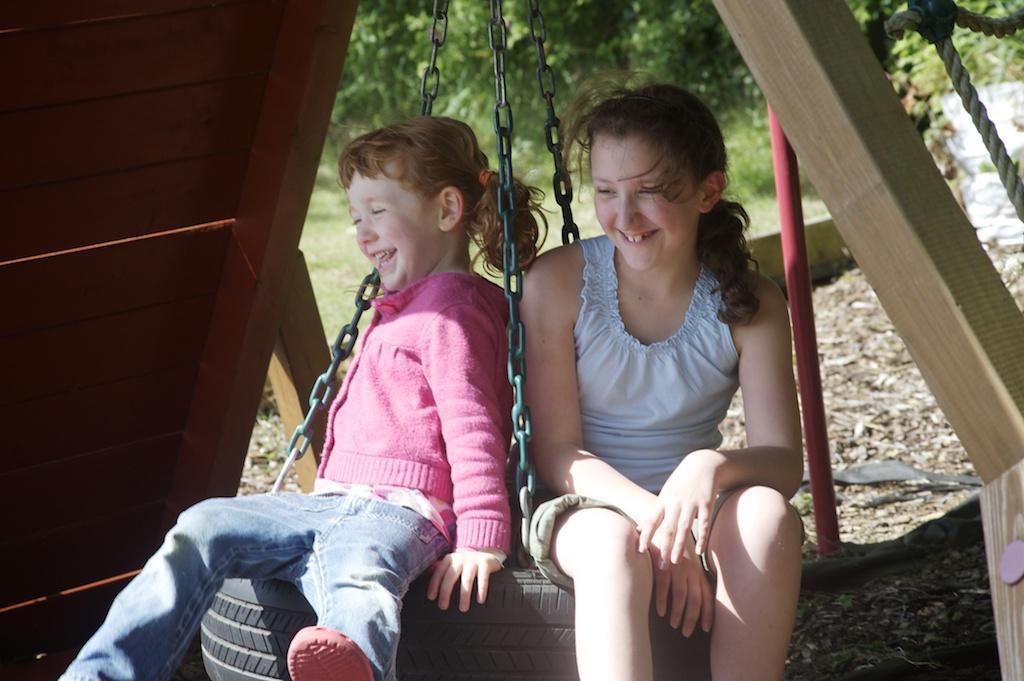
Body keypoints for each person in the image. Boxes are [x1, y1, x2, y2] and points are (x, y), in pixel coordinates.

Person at [60, 116, 546, 681]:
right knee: (203, 525)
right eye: (355, 217)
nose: (363, 234)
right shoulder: (407, 303)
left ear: (446, 210)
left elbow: (475, 428)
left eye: (379, 213)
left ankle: (345, 660)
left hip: (399, 513)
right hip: (326, 503)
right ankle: (99, 674)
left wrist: (483, 537)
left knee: (360, 581)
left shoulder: (453, 313)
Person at [521, 81, 804, 681]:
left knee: (766, 517)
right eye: (604, 192)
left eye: (649, 191)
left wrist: (711, 466)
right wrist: (660, 527)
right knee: (611, 546)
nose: (624, 216)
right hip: (587, 503)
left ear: (708, 191)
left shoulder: (750, 302)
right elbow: (557, 453)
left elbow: (782, 462)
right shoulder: (559, 285)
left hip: (697, 504)